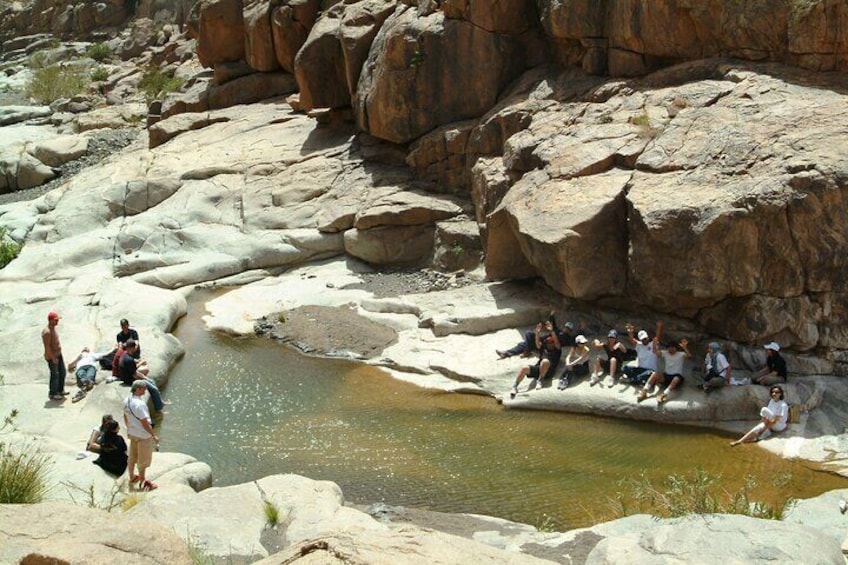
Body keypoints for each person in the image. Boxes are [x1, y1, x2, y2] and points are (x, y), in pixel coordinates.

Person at [508, 320, 561, 398]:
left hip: (548, 371)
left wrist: (551, 331)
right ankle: (515, 387)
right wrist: (538, 332)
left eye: (551, 343)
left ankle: (540, 380)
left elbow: (557, 342)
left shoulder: (557, 350)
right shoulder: (544, 348)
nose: (550, 344)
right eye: (548, 343)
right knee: (524, 368)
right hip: (538, 369)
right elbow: (537, 343)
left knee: (545, 361)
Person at [124, 380, 159, 490]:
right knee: (143, 460)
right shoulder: (140, 404)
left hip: (133, 433)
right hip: (143, 435)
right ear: (138, 389)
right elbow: (144, 422)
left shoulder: (127, 400)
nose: (145, 390)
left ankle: (132, 477)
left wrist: (129, 428)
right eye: (144, 388)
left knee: (132, 456)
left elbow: (125, 415)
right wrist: (153, 435)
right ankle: (143, 482)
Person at [497, 312, 574, 359]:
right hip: (540, 340)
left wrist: (582, 329)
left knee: (528, 334)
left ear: (570, 331)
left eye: (568, 329)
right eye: (565, 327)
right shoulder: (558, 330)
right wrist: (552, 315)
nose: (566, 329)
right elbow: (552, 323)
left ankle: (527, 351)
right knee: (523, 344)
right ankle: (506, 353)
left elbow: (576, 339)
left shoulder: (568, 338)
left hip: (546, 345)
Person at [118, 340, 169, 412]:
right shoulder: (128, 360)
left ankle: (160, 402)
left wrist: (139, 361)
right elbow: (135, 374)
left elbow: (133, 365)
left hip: (128, 376)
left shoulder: (125, 355)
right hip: (130, 380)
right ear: (131, 348)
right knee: (153, 389)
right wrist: (145, 378)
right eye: (134, 346)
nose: (136, 348)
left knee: (152, 381)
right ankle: (159, 409)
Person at [637, 337, 691, 404]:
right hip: (666, 376)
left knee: (676, 379)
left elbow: (688, 356)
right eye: (669, 347)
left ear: (676, 348)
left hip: (677, 377)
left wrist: (685, 347)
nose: (670, 349)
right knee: (655, 374)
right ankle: (644, 391)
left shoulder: (680, 354)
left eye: (672, 347)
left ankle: (663, 395)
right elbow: (655, 352)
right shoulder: (665, 353)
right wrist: (654, 343)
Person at [621, 321, 660, 386]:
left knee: (649, 373)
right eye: (643, 339)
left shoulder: (653, 344)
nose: (644, 340)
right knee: (625, 367)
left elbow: (657, 337)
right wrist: (630, 332)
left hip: (650, 370)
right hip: (640, 369)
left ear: (647, 337)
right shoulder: (639, 345)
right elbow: (632, 340)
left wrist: (659, 327)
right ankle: (639, 379)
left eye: (645, 338)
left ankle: (632, 380)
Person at [42, 311, 68, 401]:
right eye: (56, 320)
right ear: (51, 320)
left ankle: (60, 390)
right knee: (55, 375)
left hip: (58, 354)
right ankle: (53, 393)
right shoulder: (47, 332)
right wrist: (53, 358)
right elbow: (47, 347)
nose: (57, 321)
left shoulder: (53, 328)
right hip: (52, 356)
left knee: (62, 372)